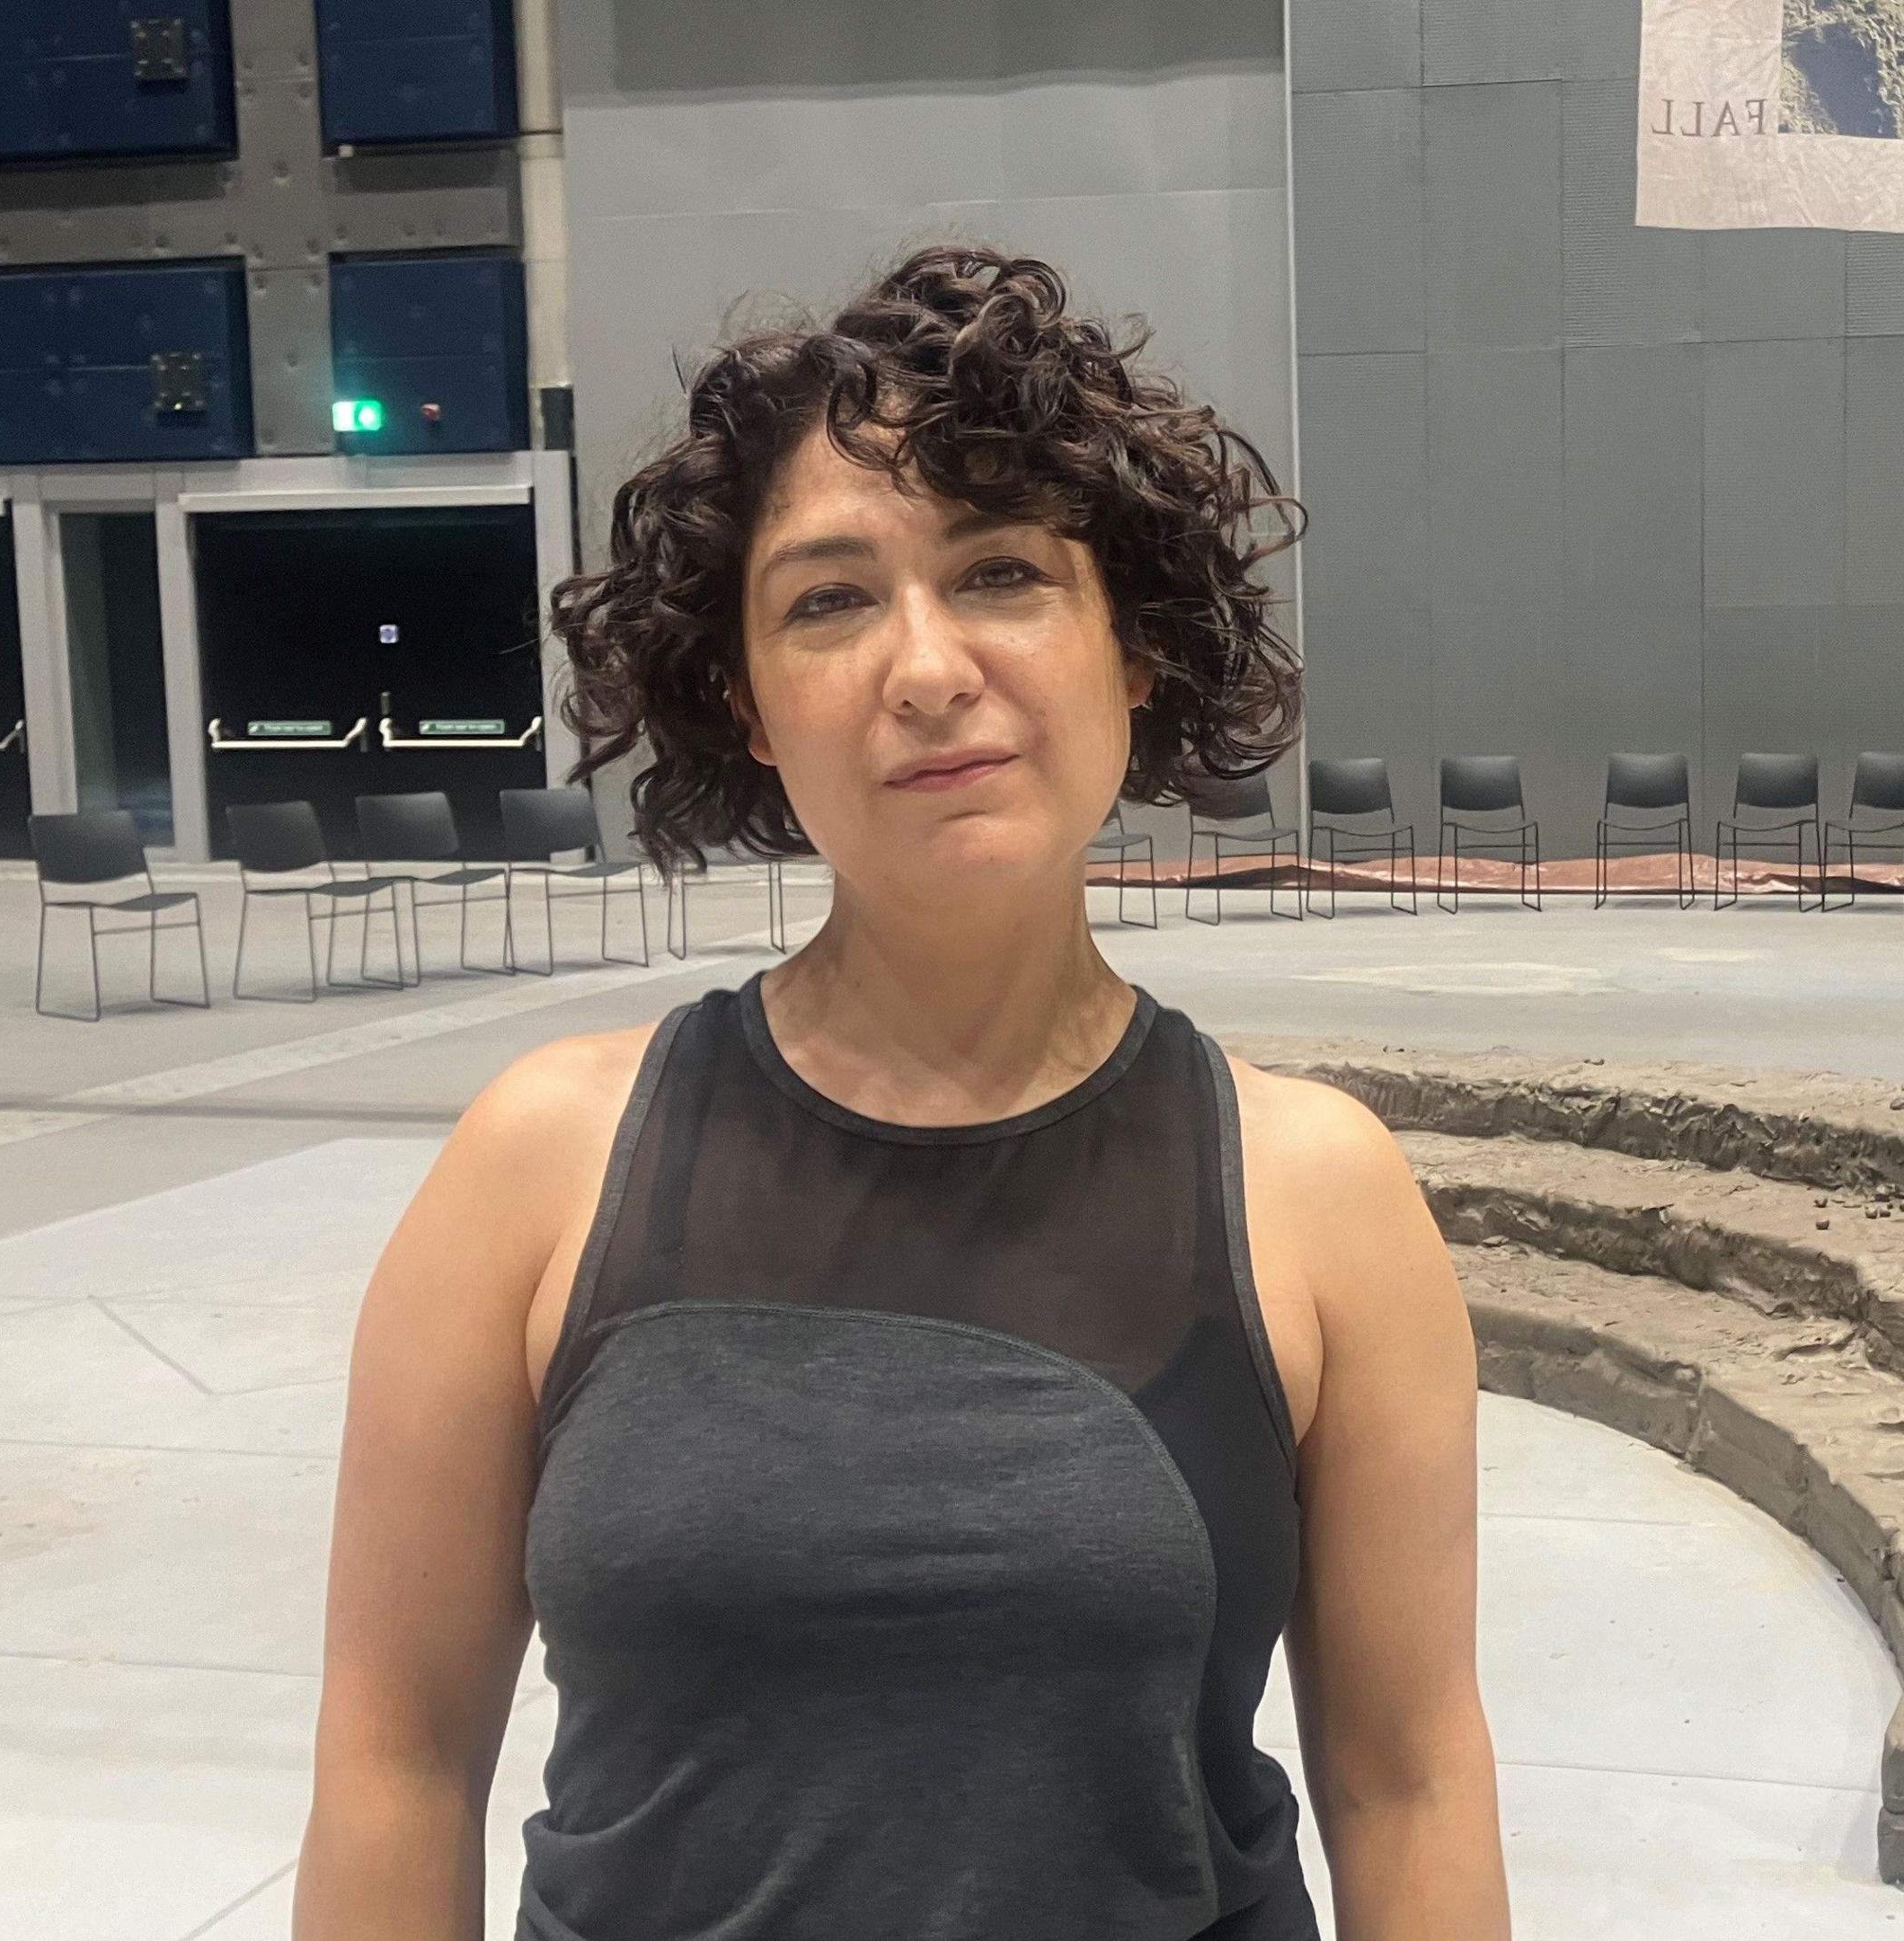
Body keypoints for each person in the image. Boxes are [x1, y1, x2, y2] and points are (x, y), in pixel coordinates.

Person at [294, 244, 1510, 1941]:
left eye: (1003, 572)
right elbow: (396, 1756)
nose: (927, 667)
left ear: (1134, 645)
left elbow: (1410, 1779)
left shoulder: (1315, 1189)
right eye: (829, 598)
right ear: (746, 700)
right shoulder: (546, 1163)